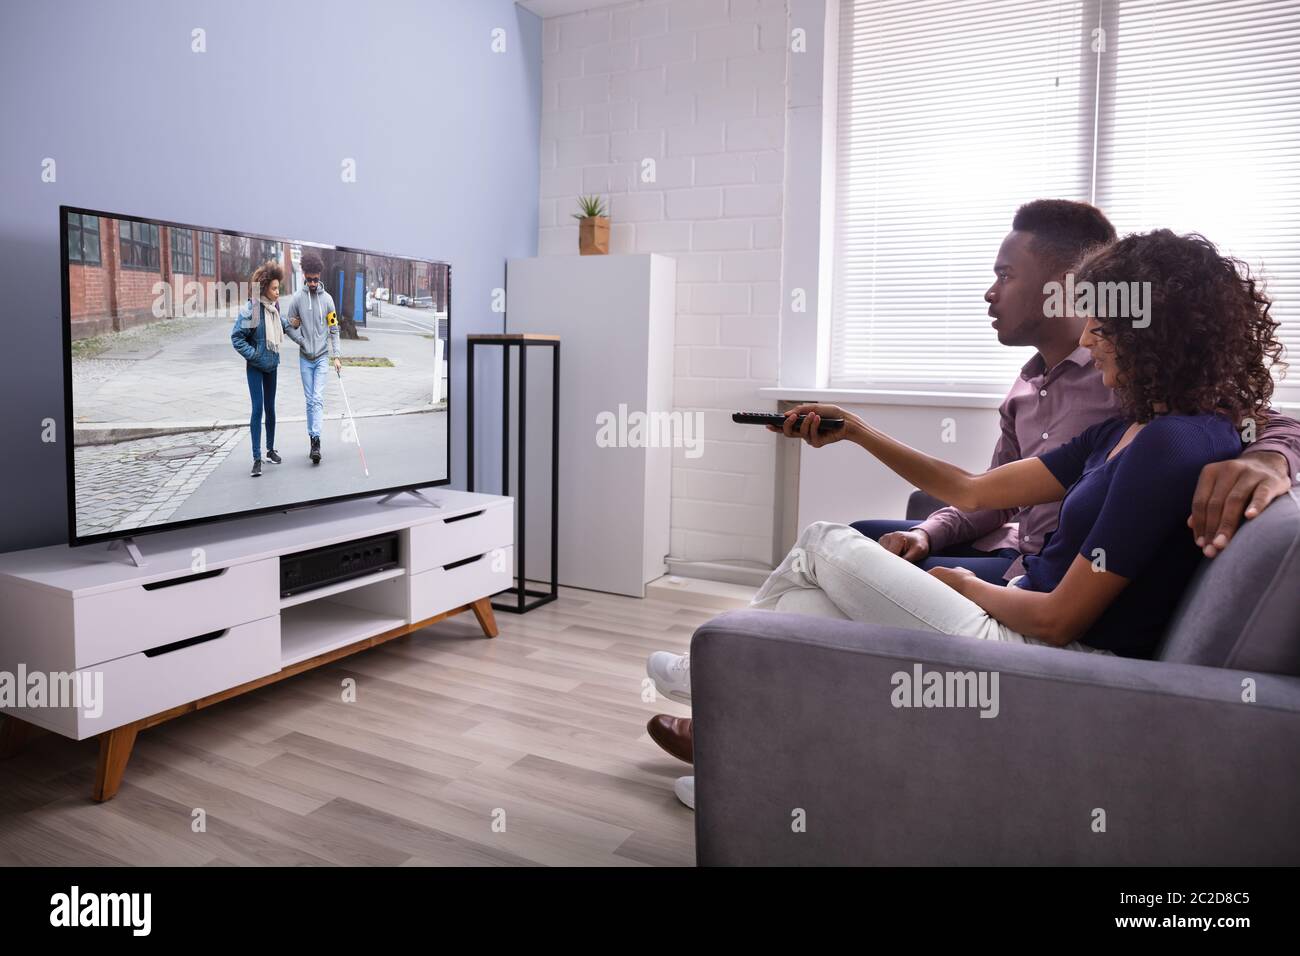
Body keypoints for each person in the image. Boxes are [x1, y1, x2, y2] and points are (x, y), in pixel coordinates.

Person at [650, 226, 1296, 810]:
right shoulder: (1129, 430)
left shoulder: (1173, 444)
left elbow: (1057, 618)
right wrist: (856, 431)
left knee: (825, 542)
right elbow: (971, 488)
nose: (1091, 337)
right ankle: (745, 774)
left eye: (1105, 325)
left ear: (1158, 331)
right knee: (815, 613)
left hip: (1053, 654)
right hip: (1024, 617)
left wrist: (963, 584)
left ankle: (713, 682)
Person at [283, 250, 342, 464]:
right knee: (309, 401)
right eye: (309, 280)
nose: (313, 283)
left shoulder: (328, 301)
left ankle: (317, 441)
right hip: (305, 358)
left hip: (322, 358)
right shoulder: (298, 299)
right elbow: (288, 325)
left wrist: (337, 355)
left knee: (317, 398)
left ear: (320, 276)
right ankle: (312, 438)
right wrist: (301, 340)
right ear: (304, 276)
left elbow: (334, 329)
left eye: (316, 279)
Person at [231, 260, 287, 478]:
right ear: (263, 288)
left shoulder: (274, 308)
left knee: (271, 408)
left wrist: (294, 324)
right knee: (257, 409)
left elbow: (281, 323)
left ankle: (270, 450)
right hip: (255, 366)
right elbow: (237, 338)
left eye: (278, 288)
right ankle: (256, 458)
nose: (277, 292)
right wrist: (254, 355)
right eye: (274, 289)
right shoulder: (253, 310)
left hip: (271, 365)